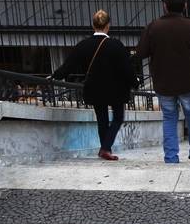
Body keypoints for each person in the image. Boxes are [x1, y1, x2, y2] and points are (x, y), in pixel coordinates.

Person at [51, 10, 138, 161]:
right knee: (118, 117)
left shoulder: (83, 45)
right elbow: (127, 68)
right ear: (108, 26)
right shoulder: (116, 45)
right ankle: (105, 148)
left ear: (93, 25)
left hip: (95, 88)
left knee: (101, 119)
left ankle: (105, 149)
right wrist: (135, 83)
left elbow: (68, 66)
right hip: (116, 89)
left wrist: (54, 76)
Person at [136, 0, 190, 164]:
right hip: (187, 81)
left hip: (163, 82)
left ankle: (171, 157)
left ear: (165, 6)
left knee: (169, 118)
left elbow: (142, 52)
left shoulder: (153, 27)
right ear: (184, 6)